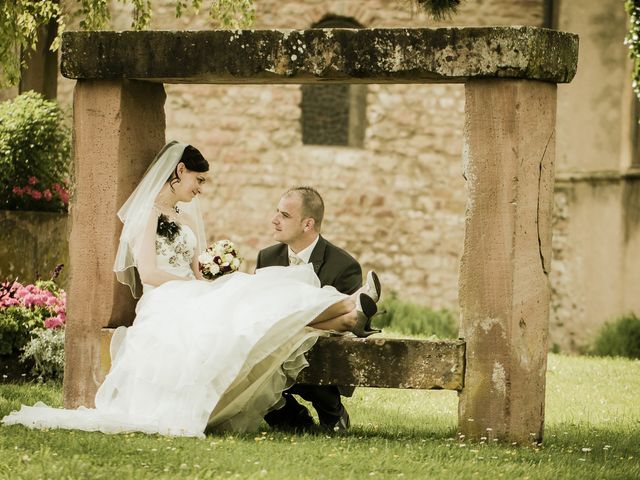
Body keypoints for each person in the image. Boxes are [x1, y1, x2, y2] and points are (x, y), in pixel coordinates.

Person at [1, 141, 381, 438]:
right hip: (164, 299)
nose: (200, 189)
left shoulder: (185, 218)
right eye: (198, 180)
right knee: (254, 301)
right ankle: (349, 312)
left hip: (189, 293)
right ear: (179, 171)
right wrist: (195, 286)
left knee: (260, 296)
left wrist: (216, 271)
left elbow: (198, 268)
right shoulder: (147, 215)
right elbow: (149, 273)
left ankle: (349, 311)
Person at [257, 187, 381, 432]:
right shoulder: (267, 258)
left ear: (307, 224)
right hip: (273, 344)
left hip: (313, 349)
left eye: (284, 215)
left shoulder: (343, 265)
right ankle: (294, 419)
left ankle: (332, 413)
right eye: (276, 212)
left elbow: (340, 344)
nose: (275, 220)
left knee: (303, 337)